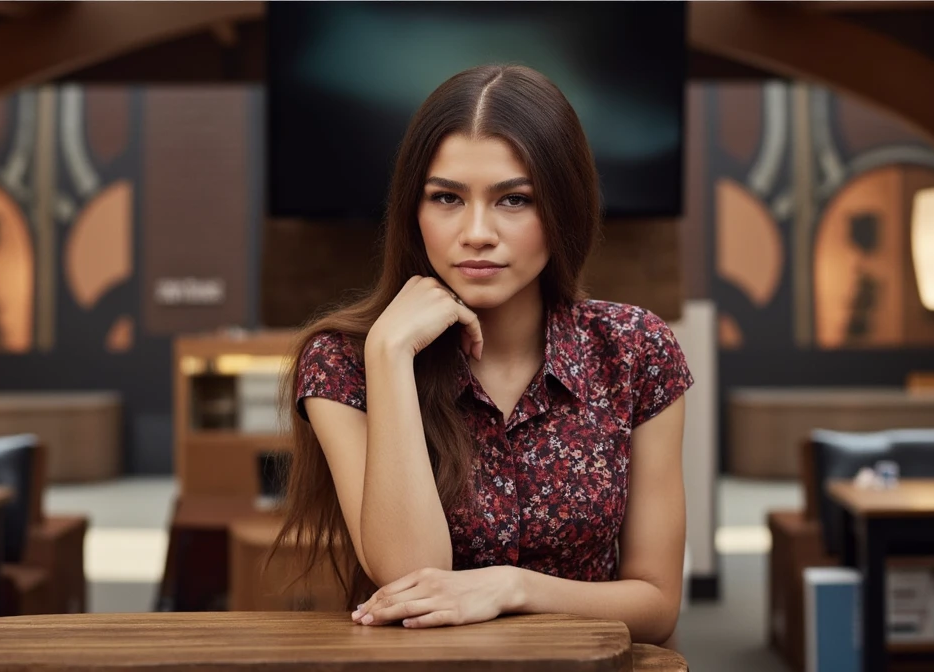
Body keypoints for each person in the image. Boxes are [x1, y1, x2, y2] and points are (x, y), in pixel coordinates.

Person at [272, 64, 693, 645]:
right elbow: (409, 575)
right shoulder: (344, 362)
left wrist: (510, 588)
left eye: (514, 200)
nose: (476, 232)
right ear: (412, 212)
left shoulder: (634, 350)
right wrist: (391, 355)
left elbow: (656, 605)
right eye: (446, 197)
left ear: (563, 208)